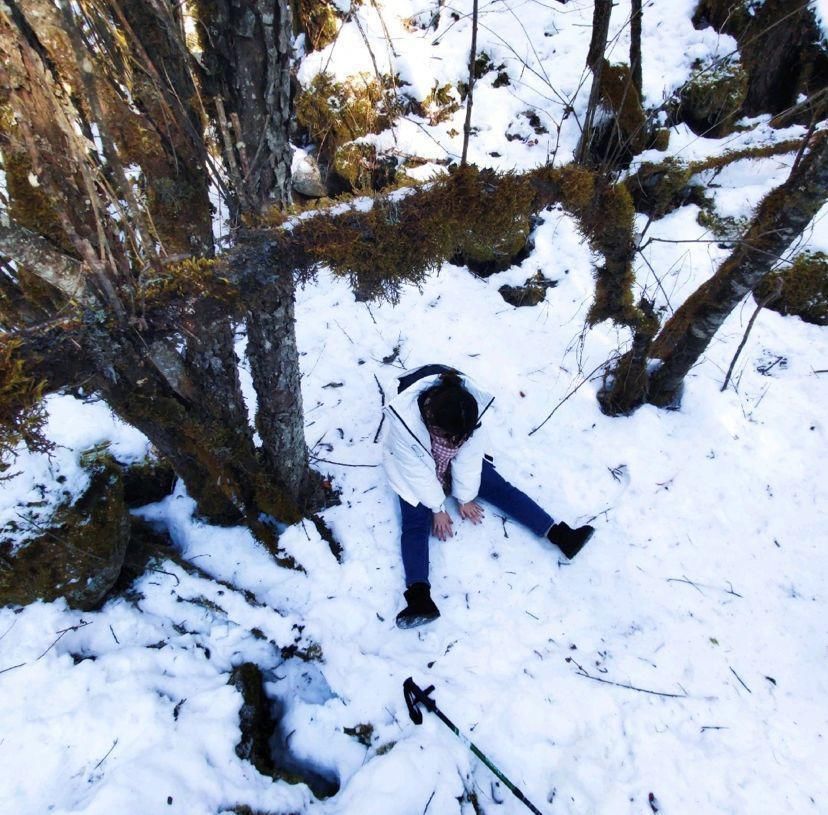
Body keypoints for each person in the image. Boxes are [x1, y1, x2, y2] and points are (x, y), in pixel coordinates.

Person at [382, 364, 595, 629]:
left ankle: (561, 535)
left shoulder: (468, 412)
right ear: (430, 419)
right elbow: (417, 475)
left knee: (499, 488)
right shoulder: (406, 426)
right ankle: (419, 599)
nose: (453, 443)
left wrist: (465, 496)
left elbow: (469, 460)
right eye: (448, 438)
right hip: (411, 469)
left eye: (459, 438)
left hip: (447, 452)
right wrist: (438, 507)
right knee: (415, 522)